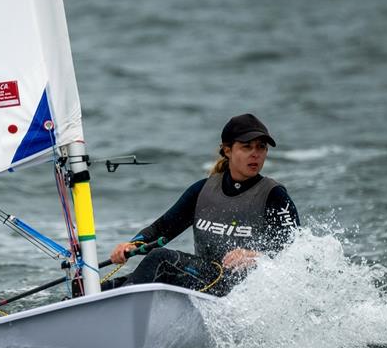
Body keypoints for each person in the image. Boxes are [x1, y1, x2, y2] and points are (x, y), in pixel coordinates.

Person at [103, 113, 299, 296]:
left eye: (261, 147)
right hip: (202, 278)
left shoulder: (274, 196)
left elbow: (295, 249)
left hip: (241, 291)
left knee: (160, 259)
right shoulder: (203, 190)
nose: (256, 154)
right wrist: (132, 244)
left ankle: (124, 317)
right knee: (99, 288)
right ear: (228, 150)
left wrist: (255, 255)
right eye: (247, 147)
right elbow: (163, 228)